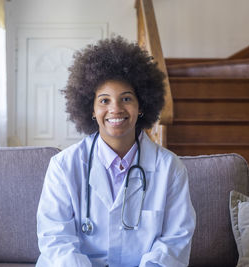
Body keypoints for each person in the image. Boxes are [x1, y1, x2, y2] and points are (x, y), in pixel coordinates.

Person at [36, 36, 196, 267]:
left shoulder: (170, 168)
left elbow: (175, 242)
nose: (115, 109)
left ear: (141, 106)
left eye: (126, 98)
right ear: (90, 109)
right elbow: (56, 240)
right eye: (104, 100)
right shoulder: (63, 166)